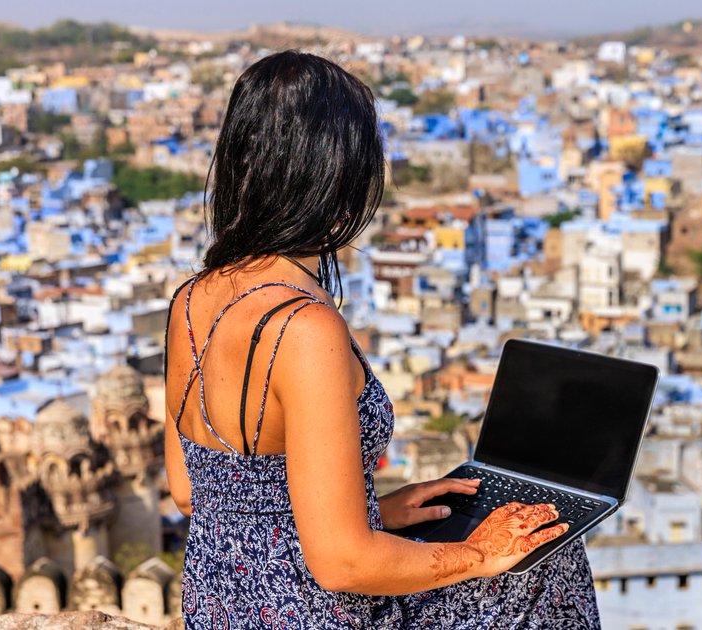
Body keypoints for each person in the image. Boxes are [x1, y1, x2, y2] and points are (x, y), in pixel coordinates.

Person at [164, 50, 600, 629]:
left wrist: (379, 511)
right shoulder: (303, 327)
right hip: (310, 614)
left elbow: (192, 493)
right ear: (336, 175)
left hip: (221, 606)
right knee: (546, 556)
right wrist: (479, 554)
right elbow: (343, 564)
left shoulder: (191, 300)